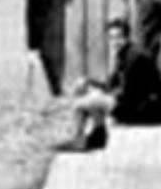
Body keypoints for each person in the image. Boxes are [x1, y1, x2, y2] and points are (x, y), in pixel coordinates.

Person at [58, 17, 161, 152]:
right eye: (111, 38)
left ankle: (79, 141)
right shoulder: (124, 54)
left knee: (80, 104)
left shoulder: (135, 57)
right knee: (92, 95)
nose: (115, 42)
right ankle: (98, 135)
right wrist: (88, 81)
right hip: (133, 103)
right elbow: (110, 84)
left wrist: (103, 97)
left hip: (143, 109)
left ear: (126, 36)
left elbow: (128, 93)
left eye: (118, 37)